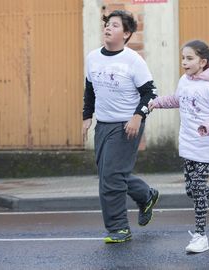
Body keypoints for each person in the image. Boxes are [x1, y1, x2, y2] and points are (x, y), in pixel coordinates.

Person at [148, 40, 209, 253]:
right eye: (183, 58)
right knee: (191, 190)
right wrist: (156, 102)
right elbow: (179, 100)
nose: (184, 62)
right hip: (188, 143)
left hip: (206, 146)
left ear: (203, 61)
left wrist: (207, 126)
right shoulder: (184, 81)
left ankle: (200, 236)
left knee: (196, 189)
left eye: (189, 58)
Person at [82, 10, 159, 243]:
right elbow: (90, 89)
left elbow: (151, 93)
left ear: (126, 34)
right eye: (107, 24)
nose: (108, 28)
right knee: (110, 175)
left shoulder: (133, 60)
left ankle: (119, 228)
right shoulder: (93, 57)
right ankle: (146, 195)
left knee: (111, 179)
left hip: (127, 125)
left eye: (115, 26)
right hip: (103, 125)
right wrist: (87, 116)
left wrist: (137, 117)